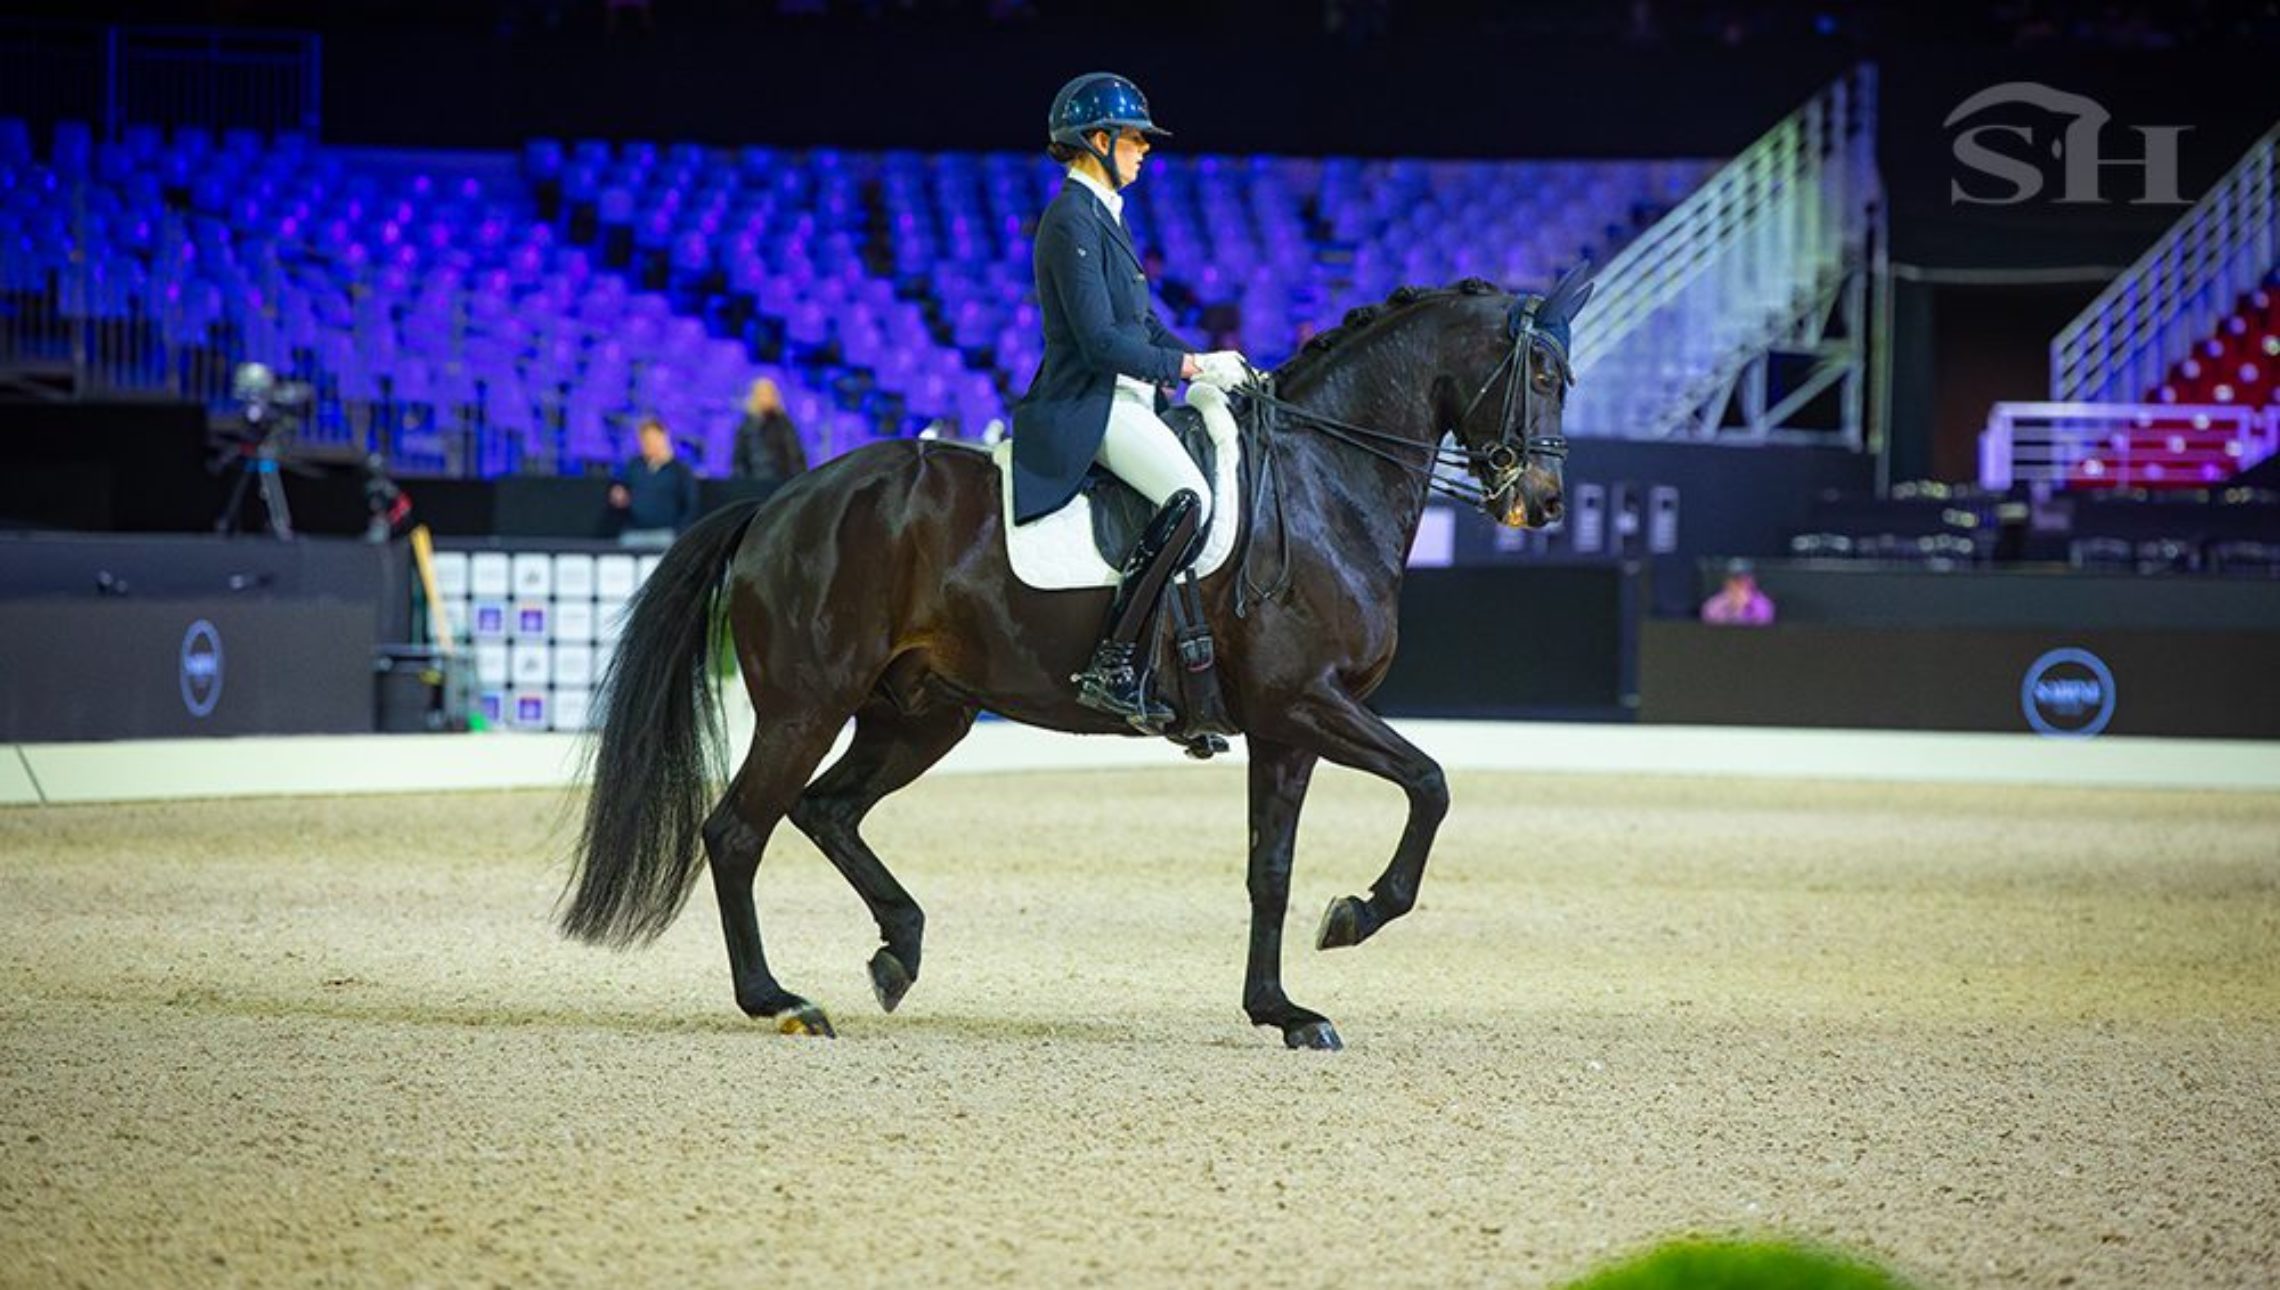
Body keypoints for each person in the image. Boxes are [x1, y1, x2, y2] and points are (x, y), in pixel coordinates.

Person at [1011, 71, 1251, 731]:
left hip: (1131, 396)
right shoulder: (1070, 219)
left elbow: (1141, 328)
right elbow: (1098, 341)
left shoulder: (1105, 217)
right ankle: (1115, 662)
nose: (1145, 150)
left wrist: (1205, 366)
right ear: (1098, 139)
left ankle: (1183, 671)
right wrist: (1189, 364)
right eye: (1136, 139)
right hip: (1088, 401)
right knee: (1190, 499)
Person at [608, 415, 699, 548]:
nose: (648, 444)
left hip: (666, 535)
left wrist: (678, 533)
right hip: (635, 533)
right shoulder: (633, 465)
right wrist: (618, 494)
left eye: (652, 439)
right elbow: (620, 489)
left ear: (664, 438)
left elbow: (690, 505)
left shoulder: (680, 470)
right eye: (644, 440)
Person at [732, 377, 808, 485]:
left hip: (782, 484)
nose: (766, 398)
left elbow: (795, 455)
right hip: (754, 484)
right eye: (761, 394)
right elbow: (739, 461)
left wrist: (799, 481)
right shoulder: (746, 426)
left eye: (769, 394)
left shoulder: (784, 424)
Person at [1701, 557, 1777, 626]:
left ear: (1752, 581)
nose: (1739, 584)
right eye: (1735, 580)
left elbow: (1763, 630)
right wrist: (1733, 609)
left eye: (1744, 579)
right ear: (1727, 582)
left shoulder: (1763, 605)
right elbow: (1712, 630)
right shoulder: (1713, 605)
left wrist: (1742, 610)